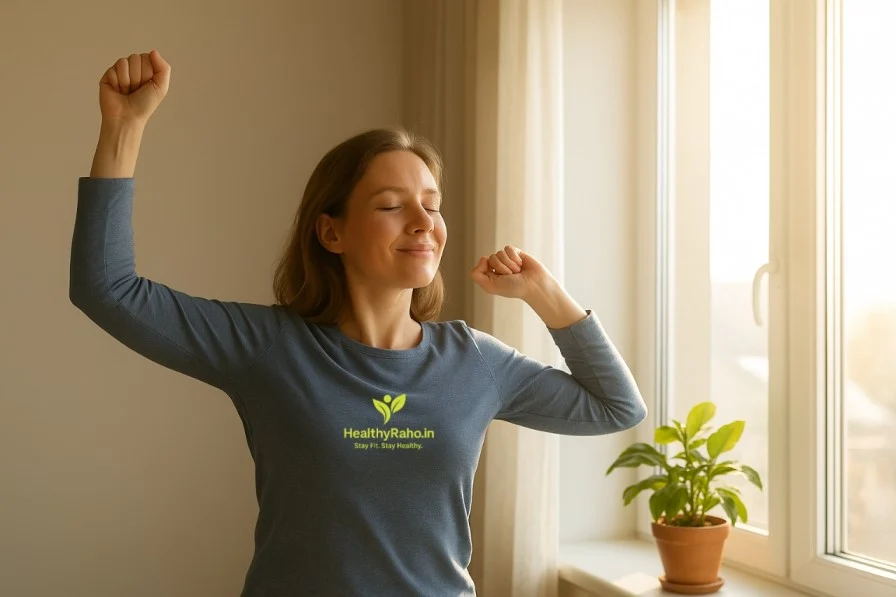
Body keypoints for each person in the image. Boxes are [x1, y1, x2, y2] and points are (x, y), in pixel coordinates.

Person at [69, 50, 648, 597]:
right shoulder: (269, 348)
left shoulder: (473, 361)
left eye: (433, 203)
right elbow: (107, 288)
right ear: (331, 232)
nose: (424, 222)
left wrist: (543, 292)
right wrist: (123, 127)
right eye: (393, 205)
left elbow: (616, 408)